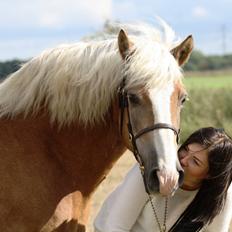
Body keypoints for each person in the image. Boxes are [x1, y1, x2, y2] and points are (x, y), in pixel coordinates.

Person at [94, 127, 232, 232]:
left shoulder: (221, 196)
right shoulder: (153, 167)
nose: (183, 160)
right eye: (185, 149)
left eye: (195, 161)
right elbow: (115, 226)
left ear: (210, 175)